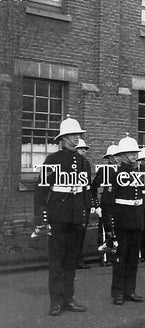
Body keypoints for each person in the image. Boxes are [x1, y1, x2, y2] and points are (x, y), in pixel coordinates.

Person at [34, 115, 89, 316]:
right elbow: (40, 192)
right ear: (63, 137)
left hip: (75, 218)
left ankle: (68, 299)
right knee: (57, 260)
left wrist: (84, 214)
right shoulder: (52, 160)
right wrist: (41, 219)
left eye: (78, 135)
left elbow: (85, 192)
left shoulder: (84, 162)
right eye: (73, 135)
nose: (76, 138)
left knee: (71, 260)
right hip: (58, 217)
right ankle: (55, 302)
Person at [103, 134, 145, 305]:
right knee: (120, 258)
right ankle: (118, 292)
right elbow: (107, 203)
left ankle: (130, 291)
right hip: (122, 221)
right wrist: (110, 227)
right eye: (130, 153)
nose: (135, 155)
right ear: (122, 156)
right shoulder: (114, 174)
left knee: (133, 257)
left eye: (135, 152)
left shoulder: (139, 173)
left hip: (136, 220)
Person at [91, 143, 119, 266]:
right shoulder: (103, 170)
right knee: (105, 231)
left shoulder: (122, 170)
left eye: (119, 155)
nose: (117, 158)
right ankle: (104, 259)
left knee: (116, 231)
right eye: (115, 156)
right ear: (109, 157)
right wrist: (96, 205)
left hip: (118, 205)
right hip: (106, 205)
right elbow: (93, 188)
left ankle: (115, 257)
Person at [74, 138, 93, 269]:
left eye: (85, 150)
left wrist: (89, 204)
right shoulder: (71, 164)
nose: (84, 151)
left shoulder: (86, 163)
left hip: (84, 202)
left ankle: (79, 259)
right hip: (73, 203)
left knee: (81, 233)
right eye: (81, 149)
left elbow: (88, 185)